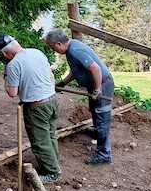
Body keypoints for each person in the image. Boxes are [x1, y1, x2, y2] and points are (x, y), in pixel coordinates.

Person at [0, 33, 61, 181]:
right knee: (50, 135)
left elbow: (12, 92)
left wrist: (6, 76)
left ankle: (52, 173)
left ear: (4, 53)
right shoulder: (37, 53)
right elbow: (51, 78)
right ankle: (53, 163)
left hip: (36, 106)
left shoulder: (13, 65)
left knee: (40, 141)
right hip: (52, 101)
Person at [46, 29, 115, 166]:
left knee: (102, 117)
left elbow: (96, 69)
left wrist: (97, 90)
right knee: (95, 111)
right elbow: (76, 70)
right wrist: (63, 83)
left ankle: (104, 154)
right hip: (97, 84)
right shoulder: (72, 46)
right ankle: (97, 133)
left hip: (103, 85)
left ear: (59, 43)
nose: (54, 50)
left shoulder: (74, 50)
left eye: (53, 48)